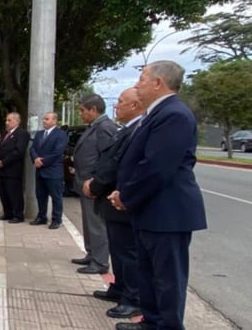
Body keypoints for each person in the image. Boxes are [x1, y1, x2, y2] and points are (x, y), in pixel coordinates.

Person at [109, 61, 207, 330]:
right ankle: (151, 322)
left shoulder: (174, 115)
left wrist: (126, 196)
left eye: (142, 78)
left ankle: (167, 325)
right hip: (150, 210)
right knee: (149, 273)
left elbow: (156, 167)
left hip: (168, 213)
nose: (137, 84)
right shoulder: (157, 114)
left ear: (158, 83)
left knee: (167, 278)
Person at [83, 87, 143, 319]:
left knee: (128, 252)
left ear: (135, 105)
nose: (115, 105)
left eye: (120, 101)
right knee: (119, 250)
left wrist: (96, 185)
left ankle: (132, 298)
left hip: (119, 197)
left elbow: (115, 163)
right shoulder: (125, 129)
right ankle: (119, 288)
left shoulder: (135, 129)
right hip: (110, 197)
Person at [71, 94, 118, 274]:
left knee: (96, 224)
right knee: (89, 222)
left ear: (93, 109)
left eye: (82, 110)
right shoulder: (94, 126)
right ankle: (91, 254)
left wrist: (96, 181)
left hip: (93, 185)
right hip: (84, 183)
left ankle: (100, 261)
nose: (80, 114)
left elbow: (107, 159)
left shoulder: (105, 127)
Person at [29, 112, 68, 229]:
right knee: (40, 195)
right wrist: (35, 159)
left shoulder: (61, 135)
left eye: (47, 119)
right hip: (40, 171)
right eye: (44, 119)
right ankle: (41, 217)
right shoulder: (39, 134)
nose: (44, 121)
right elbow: (33, 149)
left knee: (56, 197)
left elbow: (57, 152)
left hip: (53, 171)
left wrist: (43, 161)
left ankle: (56, 220)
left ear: (54, 121)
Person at [0, 112, 29, 223]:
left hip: (13, 170)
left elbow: (18, 152)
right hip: (1, 170)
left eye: (9, 120)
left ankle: (18, 215)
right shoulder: (5, 134)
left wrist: (4, 162)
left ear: (17, 121)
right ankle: (7, 213)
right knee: (4, 193)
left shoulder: (22, 134)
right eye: (6, 120)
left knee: (14, 193)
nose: (6, 122)